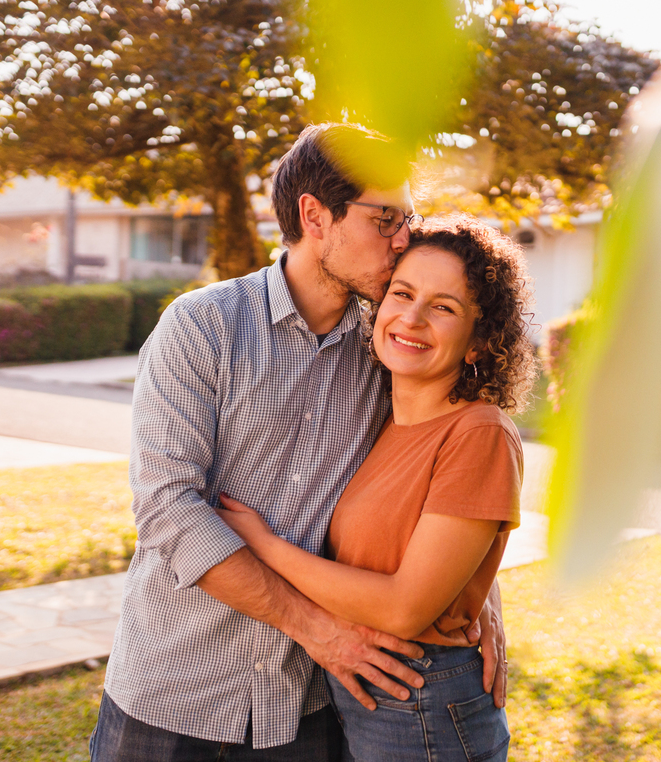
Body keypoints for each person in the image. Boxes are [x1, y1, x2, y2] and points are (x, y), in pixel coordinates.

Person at [91, 124, 507, 761]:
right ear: (315, 216)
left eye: (408, 219)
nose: (403, 239)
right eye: (385, 219)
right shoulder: (202, 326)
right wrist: (318, 630)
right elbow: (168, 510)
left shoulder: (389, 345)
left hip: (309, 707)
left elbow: (444, 474)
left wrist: (479, 597)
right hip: (177, 691)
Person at [216, 214, 536, 762]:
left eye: (443, 307)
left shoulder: (479, 434)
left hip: (423, 703)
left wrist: (262, 544)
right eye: (402, 294)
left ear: (479, 342)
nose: (411, 318)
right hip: (371, 700)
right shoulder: (384, 419)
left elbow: (404, 608)